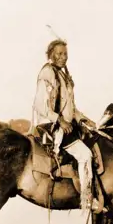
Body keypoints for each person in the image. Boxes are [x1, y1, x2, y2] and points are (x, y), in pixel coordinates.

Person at [30, 36, 104, 213]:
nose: (64, 57)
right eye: (60, 54)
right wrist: (60, 120)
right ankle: (86, 199)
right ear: (51, 55)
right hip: (51, 125)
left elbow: (71, 108)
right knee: (85, 155)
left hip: (65, 124)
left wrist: (84, 119)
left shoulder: (63, 75)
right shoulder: (47, 73)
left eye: (65, 54)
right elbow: (40, 105)